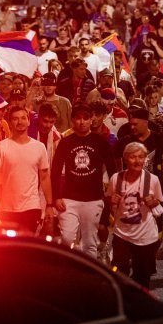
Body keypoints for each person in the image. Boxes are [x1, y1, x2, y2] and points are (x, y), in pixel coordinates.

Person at [52, 103, 116, 258]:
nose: (82, 122)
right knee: (67, 238)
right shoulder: (65, 142)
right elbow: (55, 171)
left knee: (89, 242)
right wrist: (57, 197)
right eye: (78, 118)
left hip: (93, 199)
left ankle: (89, 271)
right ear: (72, 120)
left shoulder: (101, 142)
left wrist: (112, 194)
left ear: (91, 119)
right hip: (69, 198)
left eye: (85, 118)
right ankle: (67, 267)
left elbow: (113, 170)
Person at [106, 142, 163, 288]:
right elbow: (110, 203)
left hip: (145, 235)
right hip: (122, 233)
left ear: (145, 159)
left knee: (142, 275)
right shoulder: (116, 178)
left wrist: (153, 202)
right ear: (125, 159)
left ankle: (140, 300)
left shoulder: (153, 179)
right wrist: (111, 202)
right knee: (119, 272)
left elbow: (159, 203)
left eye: (141, 157)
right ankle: (121, 298)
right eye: (133, 157)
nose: (137, 161)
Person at [0, 105, 54, 233]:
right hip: (7, 207)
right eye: (15, 119)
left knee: (28, 242)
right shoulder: (1, 147)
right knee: (10, 244)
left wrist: (49, 205)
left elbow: (45, 177)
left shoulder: (39, 147)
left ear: (29, 121)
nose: (20, 122)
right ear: (10, 123)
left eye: (23, 118)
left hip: (32, 207)